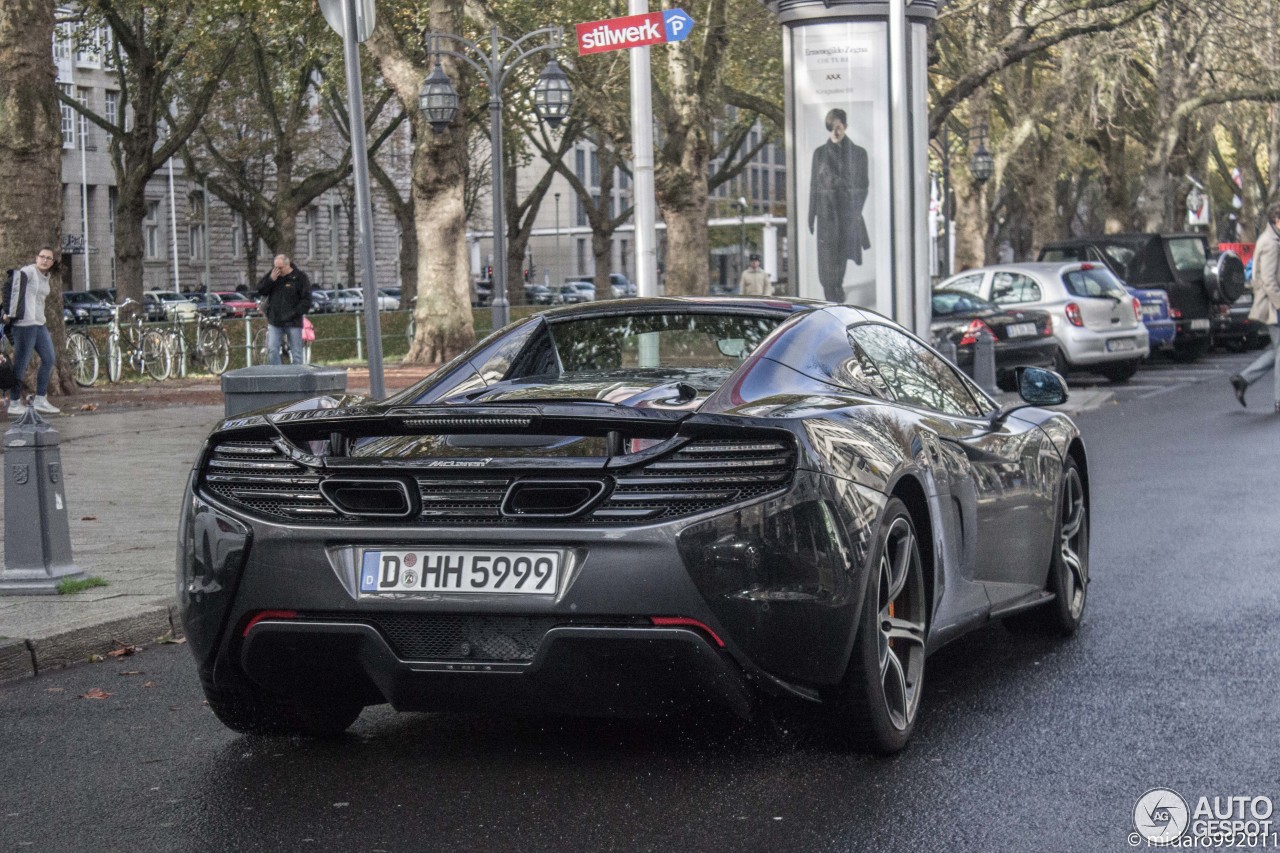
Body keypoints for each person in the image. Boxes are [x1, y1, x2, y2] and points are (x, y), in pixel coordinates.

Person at [808, 108, 870, 304]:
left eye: (839, 127)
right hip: (825, 213)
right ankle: (829, 288)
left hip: (845, 213)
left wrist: (855, 210)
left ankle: (837, 287)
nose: (836, 131)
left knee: (841, 252)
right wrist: (811, 215)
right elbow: (814, 185)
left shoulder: (858, 153)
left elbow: (863, 185)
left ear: (845, 127)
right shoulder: (819, 154)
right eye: (832, 128)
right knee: (826, 254)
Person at [1229, 202, 1280, 412]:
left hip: (1273, 304)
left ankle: (1242, 379)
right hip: (1273, 306)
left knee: (1276, 351)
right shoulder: (1271, 243)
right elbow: (1268, 280)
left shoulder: (1272, 238)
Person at [1, 247, 61, 416]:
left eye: (49, 258)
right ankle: (14, 402)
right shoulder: (27, 272)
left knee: (49, 358)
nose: (45, 260)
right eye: (42, 257)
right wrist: (8, 311)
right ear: (36, 258)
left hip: (39, 323)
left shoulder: (46, 277)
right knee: (21, 363)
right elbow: (9, 287)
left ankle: (41, 399)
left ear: (52, 262)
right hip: (24, 324)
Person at [257, 253, 312, 365]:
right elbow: (261, 290)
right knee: (272, 350)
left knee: (296, 353)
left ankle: (297, 377)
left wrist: (296, 312)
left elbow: (306, 299)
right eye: (275, 267)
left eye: (280, 268)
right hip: (275, 320)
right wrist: (271, 280)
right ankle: (278, 374)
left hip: (293, 321)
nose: (278, 270)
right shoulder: (273, 275)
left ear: (288, 265)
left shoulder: (299, 277)